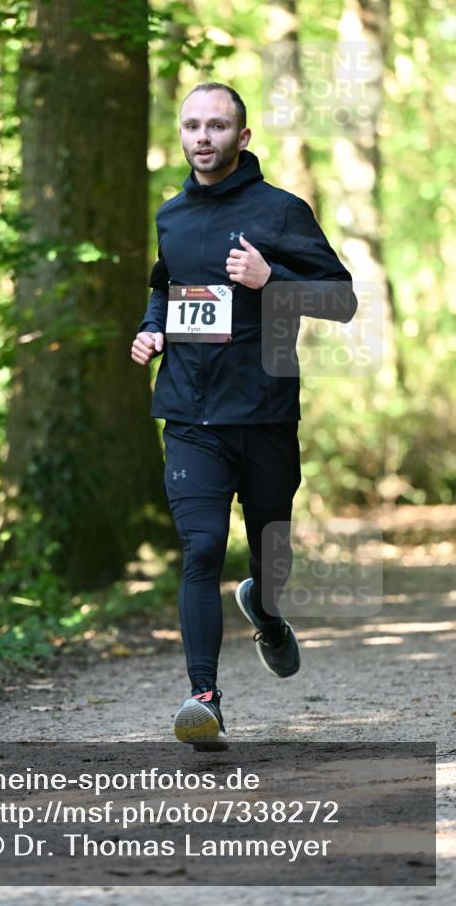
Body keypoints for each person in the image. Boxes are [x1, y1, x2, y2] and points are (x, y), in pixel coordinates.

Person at [131, 82, 357, 751]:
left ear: (242, 137)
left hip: (262, 413)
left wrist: (272, 282)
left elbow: (340, 301)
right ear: (181, 133)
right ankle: (204, 700)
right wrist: (152, 333)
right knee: (200, 549)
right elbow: (163, 293)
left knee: (270, 556)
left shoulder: (281, 212)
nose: (203, 137)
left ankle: (265, 608)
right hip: (189, 414)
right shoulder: (170, 216)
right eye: (192, 125)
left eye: (217, 126)